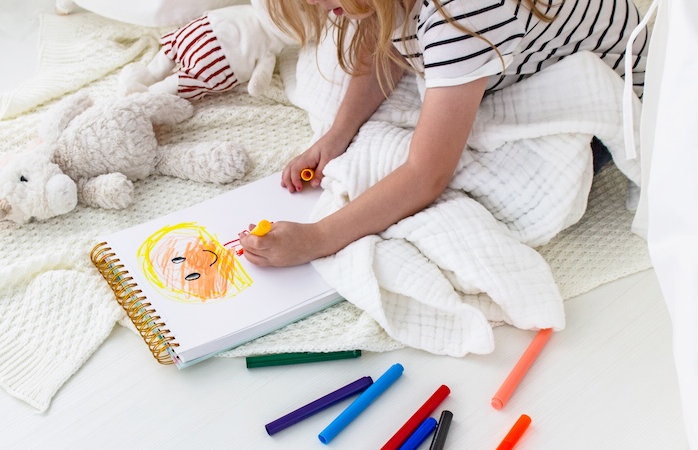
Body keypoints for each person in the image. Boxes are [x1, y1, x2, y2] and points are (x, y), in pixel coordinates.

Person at [239, 0, 649, 267]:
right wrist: (337, 134)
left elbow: (427, 174)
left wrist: (318, 237)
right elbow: (384, 37)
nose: (313, 3)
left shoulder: (464, 15)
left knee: (496, 192)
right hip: (513, 48)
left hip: (611, 92)